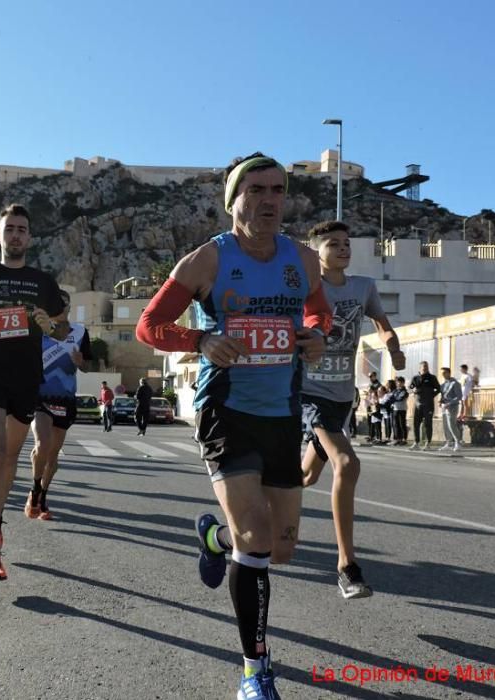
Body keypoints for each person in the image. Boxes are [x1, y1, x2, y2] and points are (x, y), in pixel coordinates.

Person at [135, 153, 331, 699]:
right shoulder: (206, 261)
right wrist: (200, 340)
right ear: (233, 201)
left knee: (280, 547)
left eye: (277, 190)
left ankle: (213, 539)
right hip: (226, 412)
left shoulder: (304, 260)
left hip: (282, 415)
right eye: (256, 190)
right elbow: (149, 325)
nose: (269, 200)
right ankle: (255, 669)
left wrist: (315, 335)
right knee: (257, 538)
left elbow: (319, 315)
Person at [0, 203, 68, 582]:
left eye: (22, 229)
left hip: (26, 377)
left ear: (30, 238)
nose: (16, 235)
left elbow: (64, 331)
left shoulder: (43, 283)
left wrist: (47, 325)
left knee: (8, 459)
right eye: (10, 229)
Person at [298, 220, 405, 597]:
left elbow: (382, 325)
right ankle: (347, 566)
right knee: (347, 463)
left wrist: (393, 347)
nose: (343, 249)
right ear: (315, 251)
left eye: (346, 243)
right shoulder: (306, 288)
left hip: (344, 395)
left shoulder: (364, 287)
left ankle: (260, 503)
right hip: (311, 393)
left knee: (306, 477)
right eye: (333, 243)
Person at [26, 290, 94, 520]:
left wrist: (80, 362)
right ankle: (34, 490)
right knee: (42, 444)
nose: (63, 307)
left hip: (65, 398)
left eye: (66, 304)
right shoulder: (36, 331)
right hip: (40, 396)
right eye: (58, 304)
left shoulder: (80, 331)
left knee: (53, 456)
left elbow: (87, 367)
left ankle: (43, 496)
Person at [409, 361, 441, 449]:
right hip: (417, 404)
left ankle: (428, 443)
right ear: (420, 367)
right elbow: (410, 388)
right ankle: (416, 442)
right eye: (423, 366)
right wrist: (413, 391)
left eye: (426, 366)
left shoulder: (432, 377)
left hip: (428, 404)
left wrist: (431, 396)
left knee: (428, 423)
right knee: (416, 423)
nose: (425, 368)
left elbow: (438, 389)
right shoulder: (415, 378)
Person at [438, 367, 463, 451]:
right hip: (444, 407)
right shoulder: (443, 384)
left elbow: (459, 396)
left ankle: (457, 442)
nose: (443, 375)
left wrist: (450, 403)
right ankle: (448, 443)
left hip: (452, 406)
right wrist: (440, 401)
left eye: (445, 373)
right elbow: (443, 395)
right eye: (442, 373)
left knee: (451, 424)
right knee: (445, 425)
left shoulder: (455, 383)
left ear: (449, 373)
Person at [392, 377, 409, 445]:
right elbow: (391, 397)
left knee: (402, 424)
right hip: (395, 409)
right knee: (396, 424)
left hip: (402, 409)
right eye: (397, 382)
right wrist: (393, 399)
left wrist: (394, 399)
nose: (398, 383)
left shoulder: (404, 391)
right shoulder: (395, 391)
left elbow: (400, 398)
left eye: (400, 382)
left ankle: (404, 439)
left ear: (403, 383)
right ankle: (398, 439)